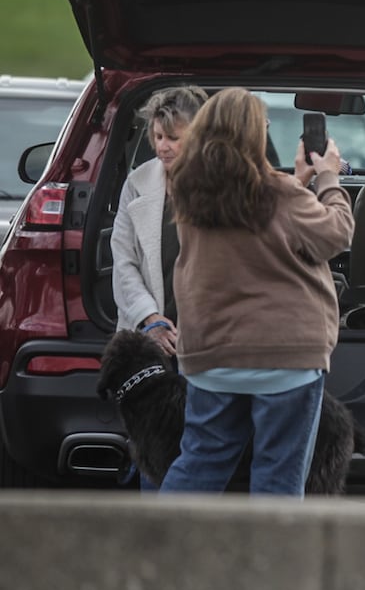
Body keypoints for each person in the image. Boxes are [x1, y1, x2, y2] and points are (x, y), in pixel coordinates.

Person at [157, 87, 352, 498]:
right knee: (278, 472)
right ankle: (271, 560)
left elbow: (250, 214)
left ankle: (164, 549)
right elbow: (335, 235)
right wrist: (328, 177)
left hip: (212, 353)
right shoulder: (279, 193)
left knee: (200, 460)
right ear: (254, 135)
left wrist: (297, 181)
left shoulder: (187, 193)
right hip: (285, 357)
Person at [112, 85, 208, 357]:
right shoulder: (137, 183)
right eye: (158, 136)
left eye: (174, 138)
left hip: (209, 340)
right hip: (148, 337)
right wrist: (150, 318)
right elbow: (123, 262)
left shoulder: (222, 185)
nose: (163, 147)